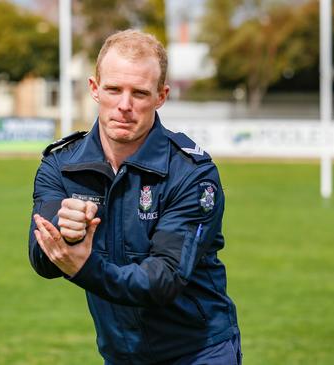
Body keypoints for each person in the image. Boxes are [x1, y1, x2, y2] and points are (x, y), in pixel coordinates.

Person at [28, 29, 241, 365]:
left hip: (198, 352)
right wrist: (64, 233)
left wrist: (84, 266)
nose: (124, 105)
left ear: (161, 96)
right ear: (95, 89)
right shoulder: (62, 164)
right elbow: (41, 261)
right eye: (114, 89)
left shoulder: (192, 174)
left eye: (139, 93)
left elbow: (164, 278)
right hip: (120, 355)